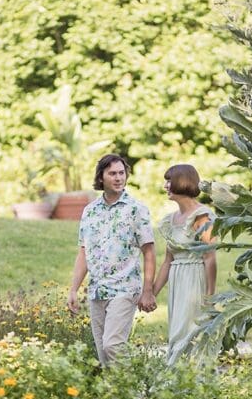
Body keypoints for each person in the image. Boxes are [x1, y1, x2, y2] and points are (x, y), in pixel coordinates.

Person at [68, 154, 157, 367]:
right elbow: (84, 253)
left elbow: (149, 252)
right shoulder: (90, 211)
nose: (118, 178)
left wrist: (147, 290)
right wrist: (73, 289)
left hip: (125, 289)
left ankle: (134, 394)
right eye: (112, 174)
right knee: (104, 356)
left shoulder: (136, 209)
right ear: (101, 178)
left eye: (121, 173)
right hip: (97, 290)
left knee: (113, 345)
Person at [152, 164, 216, 365]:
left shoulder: (201, 216)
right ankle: (179, 383)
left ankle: (179, 381)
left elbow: (210, 258)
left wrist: (210, 296)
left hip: (193, 279)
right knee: (176, 331)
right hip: (177, 280)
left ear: (183, 182)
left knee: (187, 332)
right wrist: (151, 293)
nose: (165, 186)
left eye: (169, 181)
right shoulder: (171, 220)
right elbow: (167, 261)